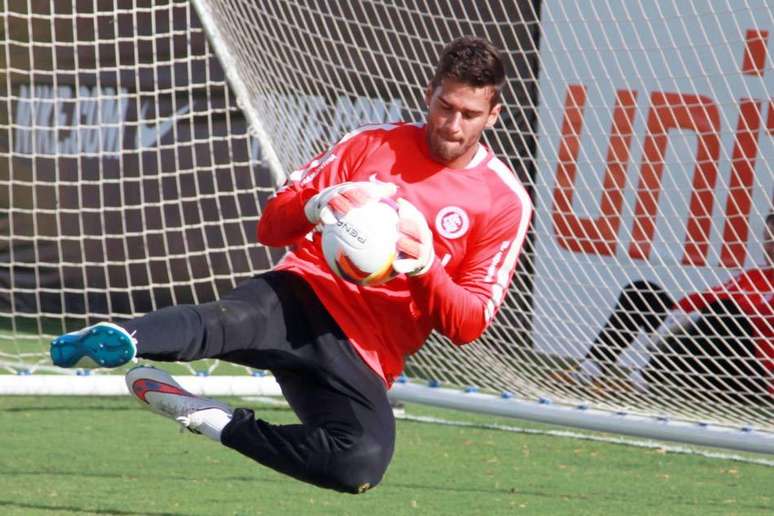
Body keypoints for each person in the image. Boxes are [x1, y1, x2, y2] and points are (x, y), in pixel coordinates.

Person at [49, 36, 533, 494]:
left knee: (360, 463)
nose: (452, 125)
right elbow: (271, 228)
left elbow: (468, 323)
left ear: (493, 114)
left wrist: (426, 268)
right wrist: (315, 203)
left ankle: (213, 421)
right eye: (445, 106)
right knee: (228, 321)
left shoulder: (504, 201)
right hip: (303, 295)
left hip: (365, 353)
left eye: (469, 114)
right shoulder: (370, 145)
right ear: (429, 94)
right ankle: (120, 338)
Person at [575, 213, 774, 402]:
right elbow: (701, 298)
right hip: (702, 357)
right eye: (767, 239)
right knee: (642, 292)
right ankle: (588, 370)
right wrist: (672, 323)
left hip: (751, 378)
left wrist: (692, 324)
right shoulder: (754, 276)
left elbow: (752, 319)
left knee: (724, 311)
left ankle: (641, 382)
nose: (769, 247)